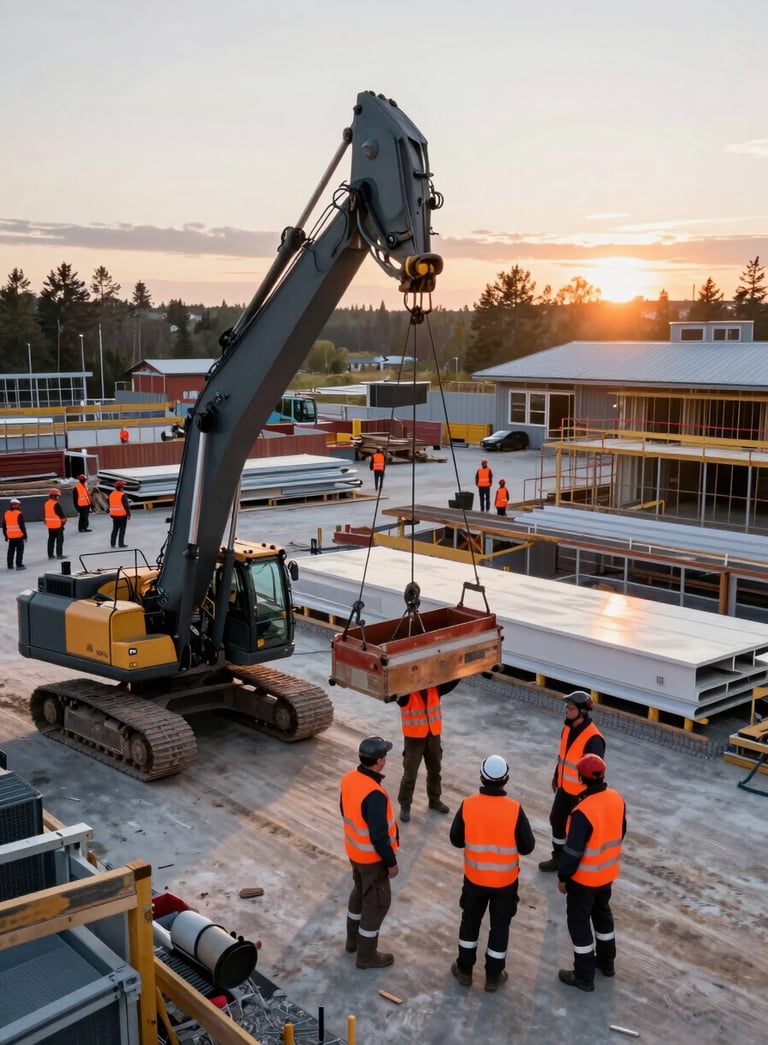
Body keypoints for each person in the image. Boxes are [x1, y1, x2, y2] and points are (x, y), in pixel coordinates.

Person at [449, 755, 535, 992]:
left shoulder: (468, 805)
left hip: (475, 880)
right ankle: (493, 977)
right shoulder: (515, 810)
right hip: (505, 884)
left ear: (481, 777)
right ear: (505, 780)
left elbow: (455, 839)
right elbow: (528, 846)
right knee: (499, 927)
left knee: (470, 922)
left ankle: (464, 970)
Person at [557, 754, 626, 992]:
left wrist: (564, 877)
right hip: (606, 875)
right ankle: (607, 963)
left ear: (580, 778)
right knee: (603, 917)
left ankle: (584, 975)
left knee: (579, 925)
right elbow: (621, 830)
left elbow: (573, 851)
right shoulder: (617, 799)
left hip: (583, 881)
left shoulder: (583, 811)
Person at [340, 735, 400, 969]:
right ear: (379, 761)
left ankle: (352, 942)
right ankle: (366, 956)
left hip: (355, 853)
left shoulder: (349, 779)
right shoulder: (374, 794)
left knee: (358, 895)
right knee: (375, 906)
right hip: (373, 860)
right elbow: (379, 836)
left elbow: (344, 810)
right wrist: (391, 862)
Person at [539, 690, 605, 873]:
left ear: (583, 712)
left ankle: (578, 865)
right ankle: (558, 857)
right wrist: (556, 775)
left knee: (579, 832)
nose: (567, 710)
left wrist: (589, 797)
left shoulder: (593, 739)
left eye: (571, 707)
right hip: (564, 789)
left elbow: (595, 771)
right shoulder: (567, 728)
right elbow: (563, 756)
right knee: (557, 821)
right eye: (567, 706)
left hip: (581, 795)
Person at [396, 680, 458, 822]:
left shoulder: (434, 688)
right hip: (414, 739)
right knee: (410, 774)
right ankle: (405, 806)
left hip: (433, 736)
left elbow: (452, 680)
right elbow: (394, 693)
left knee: (435, 771)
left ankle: (434, 800)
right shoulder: (405, 692)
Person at [3, 498, 27, 570]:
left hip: (10, 536)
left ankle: (10, 565)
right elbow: (22, 526)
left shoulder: (6, 513)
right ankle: (19, 564)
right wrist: (25, 535)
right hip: (19, 535)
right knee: (20, 550)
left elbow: (4, 525)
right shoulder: (19, 514)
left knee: (11, 550)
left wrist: (6, 535)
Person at [44, 488, 66, 559]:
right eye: (57, 496)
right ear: (53, 496)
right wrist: (63, 522)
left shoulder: (46, 504)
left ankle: (50, 555)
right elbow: (61, 515)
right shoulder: (56, 504)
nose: (58, 497)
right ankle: (59, 554)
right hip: (58, 525)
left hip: (50, 525)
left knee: (51, 540)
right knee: (60, 540)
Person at [109, 480, 131, 548]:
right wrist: (129, 514)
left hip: (114, 515)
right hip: (122, 515)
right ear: (121, 487)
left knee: (115, 529)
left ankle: (112, 543)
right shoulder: (122, 495)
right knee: (122, 530)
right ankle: (121, 544)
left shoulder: (111, 494)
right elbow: (126, 506)